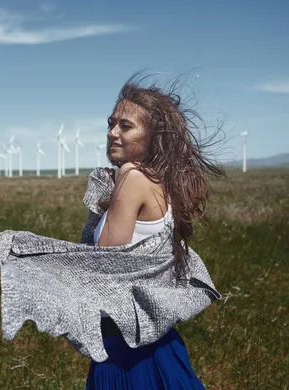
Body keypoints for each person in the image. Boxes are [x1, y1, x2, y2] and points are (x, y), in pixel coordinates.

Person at [85, 72, 226, 389]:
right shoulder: (156, 179)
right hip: (154, 346)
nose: (112, 133)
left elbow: (106, 264)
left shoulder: (133, 175)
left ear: (152, 136)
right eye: (111, 123)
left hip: (129, 356)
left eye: (126, 126)